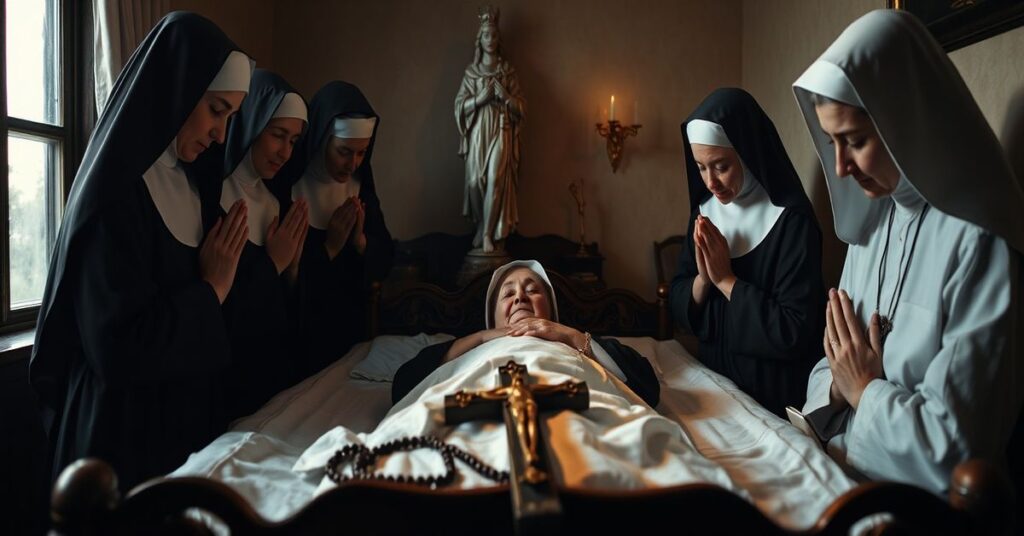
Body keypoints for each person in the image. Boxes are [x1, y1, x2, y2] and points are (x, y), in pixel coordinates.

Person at [792, 9, 1024, 495]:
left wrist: (863, 390)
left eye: (854, 140)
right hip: (845, 478)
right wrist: (839, 386)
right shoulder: (873, 222)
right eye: (832, 142)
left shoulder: (979, 241)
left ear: (907, 120)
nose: (840, 167)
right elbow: (832, 360)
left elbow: (958, 450)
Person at [29, 12, 252, 490]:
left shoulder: (196, 188)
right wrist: (210, 290)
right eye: (216, 109)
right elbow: (116, 347)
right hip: (114, 442)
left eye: (230, 116)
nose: (220, 133)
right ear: (178, 89)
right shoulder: (115, 195)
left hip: (175, 430)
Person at [670, 88, 825, 417]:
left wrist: (726, 279)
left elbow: (794, 330)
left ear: (749, 152)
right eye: (700, 167)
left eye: (721, 166)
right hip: (715, 390)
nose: (711, 182)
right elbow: (678, 298)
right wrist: (703, 280)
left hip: (771, 399)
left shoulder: (791, 222)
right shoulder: (705, 212)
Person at [194, 69, 309, 420]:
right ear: (251, 125)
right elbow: (219, 309)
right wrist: (272, 264)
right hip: (222, 383)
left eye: (293, 141)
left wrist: (292, 269)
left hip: (268, 380)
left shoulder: (277, 206)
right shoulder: (211, 197)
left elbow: (282, 312)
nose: (285, 152)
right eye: (278, 136)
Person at [393, 260, 659, 408]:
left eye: (532, 290)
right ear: (492, 318)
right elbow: (403, 387)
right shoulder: (472, 348)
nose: (520, 296)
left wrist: (568, 335)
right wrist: (482, 338)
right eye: (508, 294)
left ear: (552, 311)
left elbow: (647, 386)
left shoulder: (577, 343)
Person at [276, 81, 394, 379]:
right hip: (299, 344)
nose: (352, 164)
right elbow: (283, 284)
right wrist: (329, 247)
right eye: (344, 151)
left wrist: (362, 243)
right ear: (322, 138)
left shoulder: (361, 186)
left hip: (350, 334)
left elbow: (386, 257)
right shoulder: (288, 187)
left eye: (361, 153)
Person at [454, 6, 525, 253]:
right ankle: (483, 226)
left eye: (494, 35)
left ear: (498, 38)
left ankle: (486, 235)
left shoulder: (508, 72)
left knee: (495, 181)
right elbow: (459, 107)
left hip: (501, 129)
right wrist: (480, 99)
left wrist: (505, 96)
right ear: (480, 39)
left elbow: (521, 108)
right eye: (486, 35)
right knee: (474, 182)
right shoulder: (471, 73)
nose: (490, 40)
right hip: (477, 132)